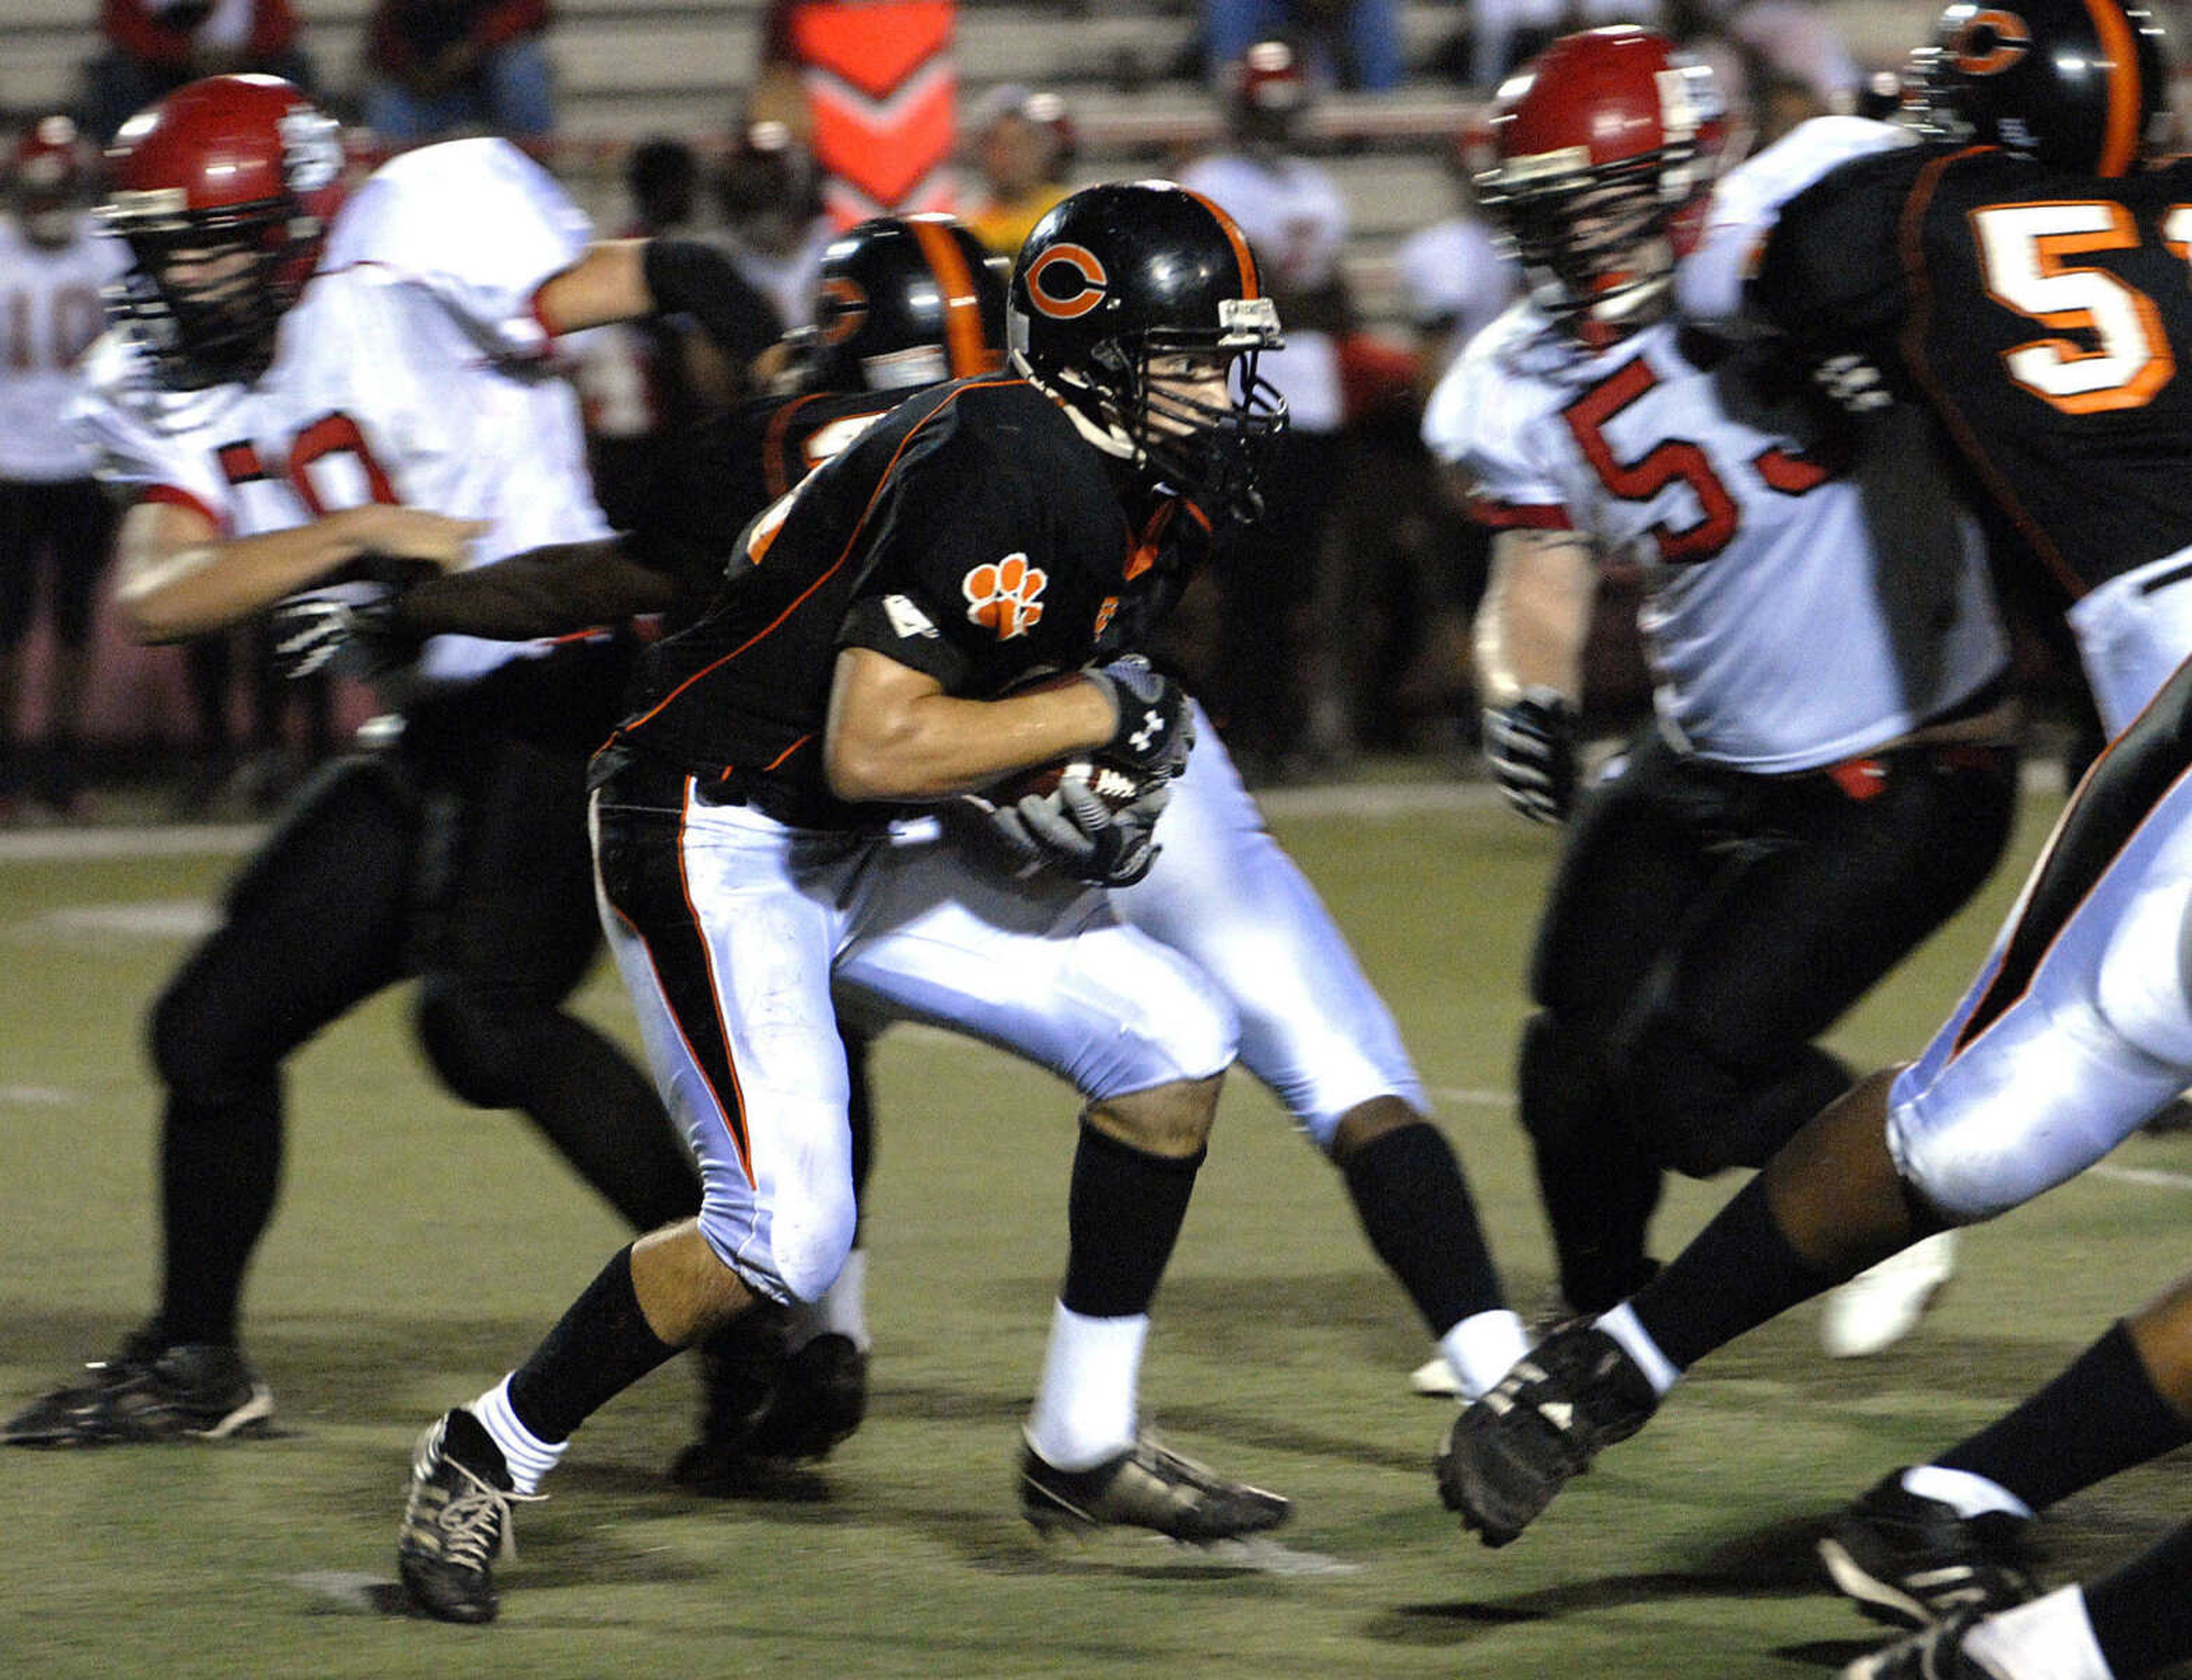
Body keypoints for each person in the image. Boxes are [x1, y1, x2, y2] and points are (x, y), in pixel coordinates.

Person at [364, 208, 1531, 1478]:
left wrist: (1036, 768)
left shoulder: (1119, 468)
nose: (1224, 390)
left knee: (1174, 1032)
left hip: (854, 832)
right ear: (1095, 353)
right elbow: (874, 740)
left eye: (1224, 357)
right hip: (718, 827)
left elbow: (928, 723)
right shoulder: (1009, 466)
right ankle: (495, 1445)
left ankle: (1078, 1442)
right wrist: (1096, 716)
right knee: (779, 1237)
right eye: (1193, 358)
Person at [1434, 10, 2192, 1675]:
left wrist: (1834, 310)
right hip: (1871, 736)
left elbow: (1747, 278)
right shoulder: (2144, 225)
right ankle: (1968, 1542)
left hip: (2107, 714)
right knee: (1768, 1083)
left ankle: (1965, 1562)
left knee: (1980, 1128)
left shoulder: (1891, 204)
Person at [1, 74, 776, 1455]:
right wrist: (352, 544)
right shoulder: (162, 377)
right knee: (211, 1028)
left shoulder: (407, 236)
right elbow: (162, 592)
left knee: (484, 1017)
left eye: (201, 241)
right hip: (441, 717)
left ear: (295, 221)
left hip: (564, 675)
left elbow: (653, 275)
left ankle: (757, 1317)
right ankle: (194, 1359)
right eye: (157, 245)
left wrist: (756, 365)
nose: (173, 276)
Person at [1423, 22, 2018, 1377]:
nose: (1572, 241)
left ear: (1681, 171)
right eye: (1543, 213)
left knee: (1688, 1086)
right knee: (1564, 1050)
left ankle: (1891, 1194)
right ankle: (1596, 1315)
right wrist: (1525, 691)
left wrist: (1901, 322)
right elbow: (1539, 563)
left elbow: (1978, 188)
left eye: (1594, 202)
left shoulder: (1808, 203)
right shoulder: (1512, 380)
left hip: (1902, 762)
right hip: (1705, 749)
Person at [1179, 36, 1355, 777]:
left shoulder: (1317, 187)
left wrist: (1285, 304)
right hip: (1238, 402)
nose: (1277, 124)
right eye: (1265, 110)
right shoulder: (1209, 180)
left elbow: (1329, 303)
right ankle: (1238, 724)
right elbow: (1234, 301)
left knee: (1297, 582)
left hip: (1313, 403)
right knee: (1237, 579)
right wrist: (1289, 305)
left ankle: (1283, 726)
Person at [0, 116, 126, 820]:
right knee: (7, 627)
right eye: (37, 193)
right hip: (10, 468)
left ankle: (64, 761)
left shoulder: (107, 253)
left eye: (58, 192)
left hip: (82, 464)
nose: (48, 207)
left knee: (77, 623)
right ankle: (7, 768)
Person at [82, 0, 316, 143]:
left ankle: (298, 147)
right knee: (119, 74)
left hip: (246, 65)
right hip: (164, 71)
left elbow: (280, 26)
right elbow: (124, 28)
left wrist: (240, 53)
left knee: (293, 66)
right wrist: (185, 54)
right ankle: (124, 155)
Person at [360, 0, 557, 146]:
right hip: (431, 93)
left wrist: (478, 46)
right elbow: (384, 37)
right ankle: (391, 186)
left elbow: (534, 10)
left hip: (493, 89)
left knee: (521, 67)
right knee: (389, 97)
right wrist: (415, 74)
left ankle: (534, 168)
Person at [960, 83, 1074, 260]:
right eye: (998, 145)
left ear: (1045, 148)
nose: (1009, 156)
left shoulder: (1070, 215)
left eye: (1020, 144)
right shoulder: (967, 229)